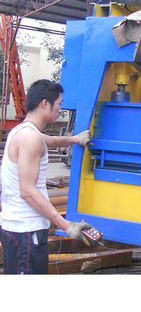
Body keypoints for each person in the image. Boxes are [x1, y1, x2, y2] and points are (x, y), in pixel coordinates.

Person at [0, 79, 93, 274]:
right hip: (26, 231)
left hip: (21, 230)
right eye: (59, 103)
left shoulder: (23, 131)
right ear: (45, 103)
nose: (60, 109)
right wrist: (66, 225)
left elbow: (50, 140)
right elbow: (27, 191)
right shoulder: (30, 137)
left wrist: (75, 139)